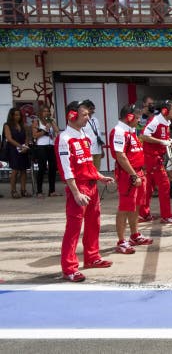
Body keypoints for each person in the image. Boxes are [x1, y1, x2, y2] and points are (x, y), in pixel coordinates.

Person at [56, 100, 115, 282]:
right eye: (84, 114)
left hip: (91, 186)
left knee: (93, 224)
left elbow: (87, 165)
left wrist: (100, 177)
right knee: (73, 229)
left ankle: (92, 257)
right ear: (72, 115)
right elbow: (67, 170)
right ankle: (69, 268)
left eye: (88, 114)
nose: (88, 117)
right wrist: (76, 193)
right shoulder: (64, 139)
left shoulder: (84, 137)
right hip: (78, 188)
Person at [109, 104, 153, 255]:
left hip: (138, 173)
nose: (139, 120)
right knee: (125, 208)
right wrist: (133, 175)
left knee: (136, 206)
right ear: (129, 117)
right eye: (137, 117)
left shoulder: (130, 131)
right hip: (128, 175)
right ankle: (121, 241)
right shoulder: (119, 132)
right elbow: (121, 156)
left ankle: (135, 235)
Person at [140, 100, 172, 224]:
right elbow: (144, 136)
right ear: (165, 111)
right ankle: (166, 215)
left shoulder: (165, 122)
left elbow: (161, 136)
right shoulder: (156, 121)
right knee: (164, 185)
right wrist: (162, 142)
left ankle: (143, 214)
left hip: (156, 157)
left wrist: (170, 140)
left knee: (149, 187)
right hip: (152, 158)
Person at [31, 106, 61, 198]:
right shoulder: (37, 121)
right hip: (41, 147)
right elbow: (34, 135)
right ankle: (39, 191)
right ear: (40, 112)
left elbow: (57, 131)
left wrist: (52, 121)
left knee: (52, 168)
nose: (46, 113)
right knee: (42, 168)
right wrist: (45, 131)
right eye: (44, 111)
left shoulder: (50, 121)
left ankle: (52, 191)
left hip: (51, 146)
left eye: (48, 111)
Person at [3, 107, 31, 198]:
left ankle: (23, 190)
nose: (17, 116)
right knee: (15, 170)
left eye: (19, 114)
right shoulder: (7, 125)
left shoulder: (23, 125)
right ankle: (13, 191)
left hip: (23, 149)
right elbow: (9, 138)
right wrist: (20, 146)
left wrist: (25, 146)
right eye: (15, 115)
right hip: (13, 149)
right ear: (11, 116)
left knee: (23, 170)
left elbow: (27, 136)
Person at [80, 100, 104, 170]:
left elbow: (98, 135)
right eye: (91, 109)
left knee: (97, 171)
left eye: (93, 109)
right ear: (85, 109)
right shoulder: (81, 120)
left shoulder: (95, 120)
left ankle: (95, 181)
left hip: (98, 149)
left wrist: (102, 149)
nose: (93, 111)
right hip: (88, 151)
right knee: (89, 171)